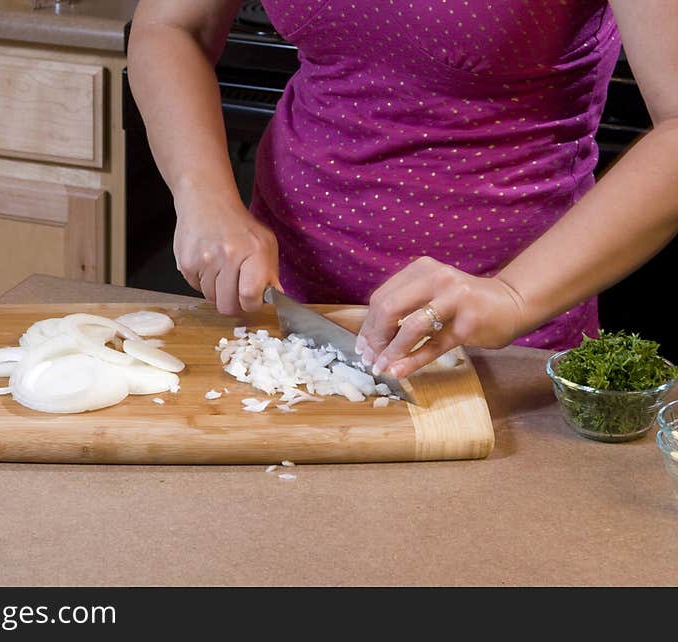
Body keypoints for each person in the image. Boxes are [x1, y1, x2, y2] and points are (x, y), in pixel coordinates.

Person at [127, 0, 678, 378]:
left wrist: (512, 296)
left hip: (504, 335)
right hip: (287, 312)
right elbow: (173, 26)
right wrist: (204, 195)